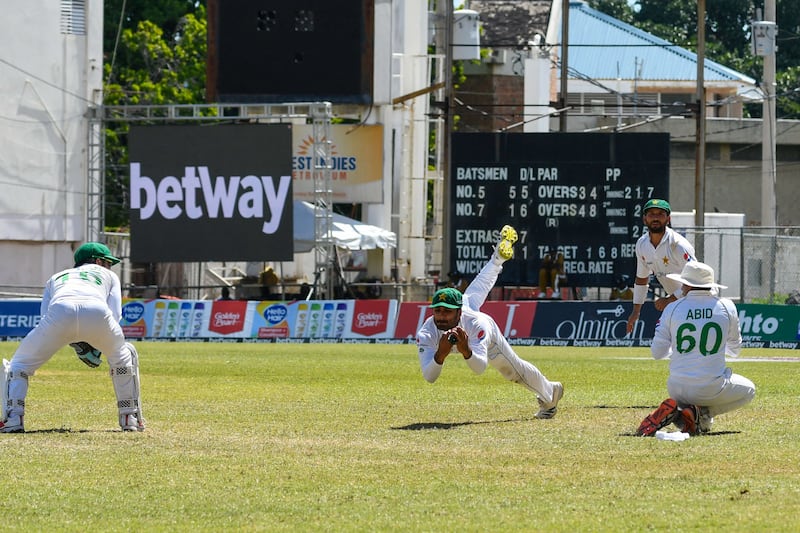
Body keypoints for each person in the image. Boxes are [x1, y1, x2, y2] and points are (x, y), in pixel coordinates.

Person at [416, 225, 564, 419]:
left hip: (488, 335)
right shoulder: (427, 332)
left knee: (513, 371)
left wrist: (466, 349)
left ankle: (550, 393)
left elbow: (479, 368)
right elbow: (429, 376)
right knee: (478, 287)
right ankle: (498, 258)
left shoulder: (477, 324)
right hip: (458, 335)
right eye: (437, 311)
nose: (441, 316)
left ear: (459, 312)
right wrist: (440, 355)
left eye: (447, 311)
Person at [1, 242, 145, 433]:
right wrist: (100, 342)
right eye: (108, 262)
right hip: (97, 310)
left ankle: (13, 419)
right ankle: (130, 417)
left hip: (60, 311)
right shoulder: (109, 275)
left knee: (19, 364)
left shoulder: (56, 277)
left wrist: (73, 339)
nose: (110, 266)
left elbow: (45, 316)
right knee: (124, 357)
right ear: (98, 261)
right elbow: (115, 314)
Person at [635, 261, 755, 436]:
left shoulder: (672, 308)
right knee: (749, 390)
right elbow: (735, 350)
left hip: (676, 388)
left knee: (687, 398)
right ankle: (703, 415)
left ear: (688, 284)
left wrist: (679, 351)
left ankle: (683, 413)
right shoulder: (726, 306)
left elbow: (657, 353)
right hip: (711, 387)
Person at [626, 199, 697, 334]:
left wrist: (669, 300)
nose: (655, 218)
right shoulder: (642, 244)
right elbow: (641, 279)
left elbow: (695, 278)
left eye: (660, 214)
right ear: (644, 219)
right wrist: (636, 311)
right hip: (678, 303)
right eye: (651, 214)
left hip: (699, 300)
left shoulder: (678, 244)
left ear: (668, 219)